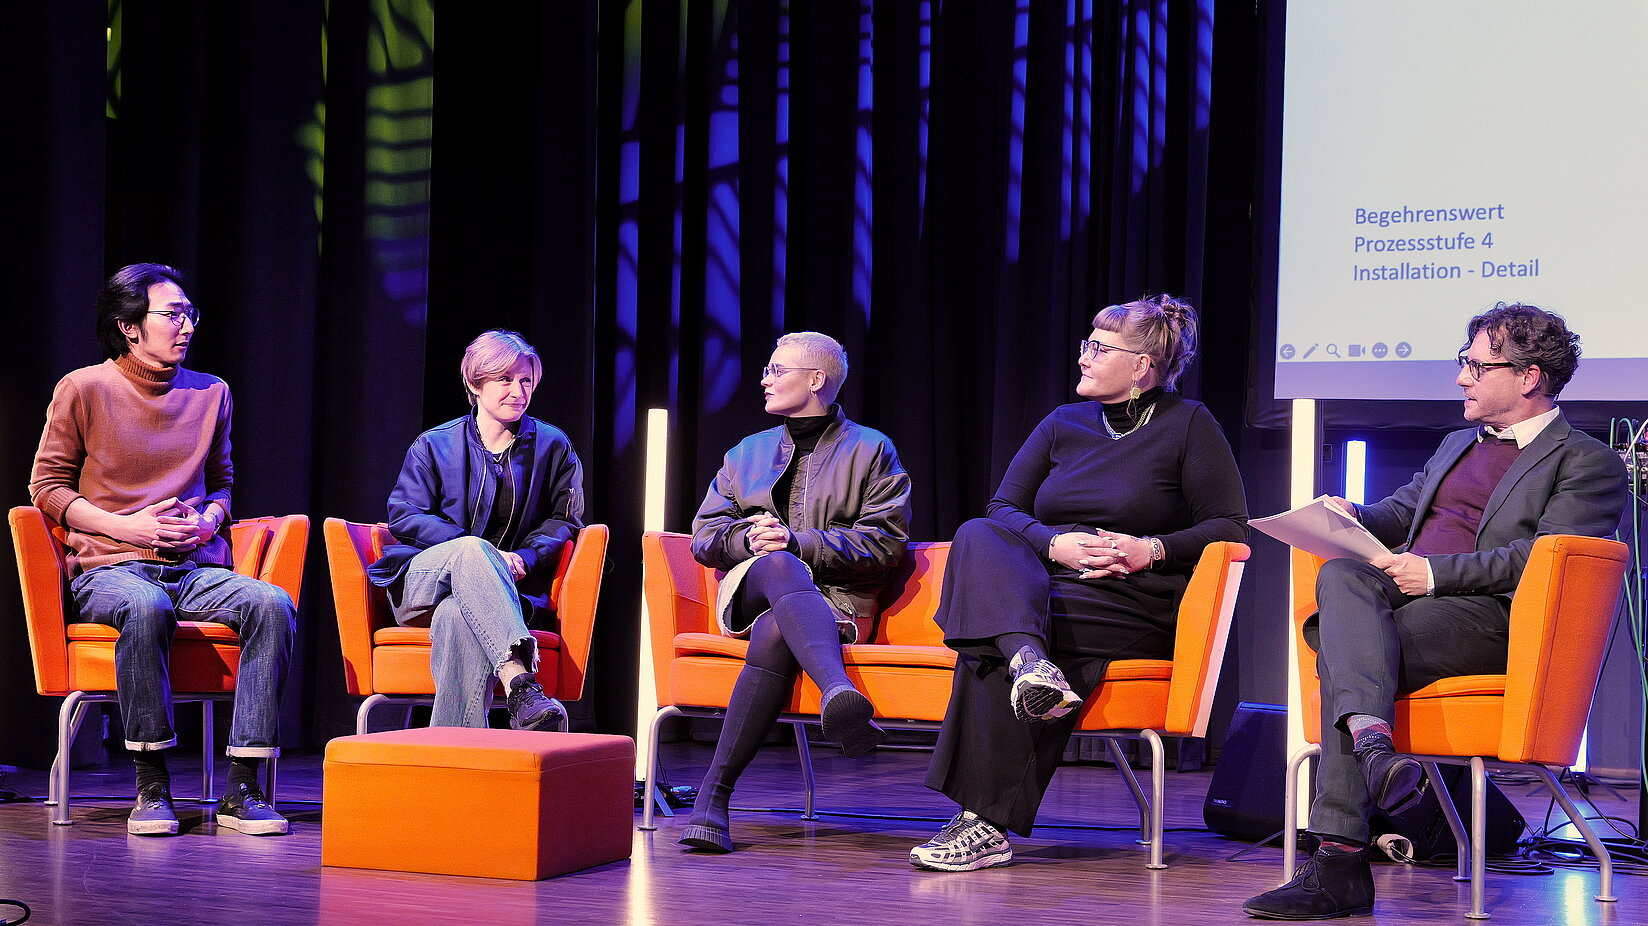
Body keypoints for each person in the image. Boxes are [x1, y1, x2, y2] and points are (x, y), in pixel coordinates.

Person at [1244, 303, 1628, 920]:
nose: (1461, 378)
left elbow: (1543, 558)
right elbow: (1398, 515)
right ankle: (1375, 750)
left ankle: (1339, 864)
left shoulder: (1585, 460)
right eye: (1464, 362)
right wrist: (1346, 514)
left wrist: (1435, 573)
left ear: (1528, 377)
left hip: (1492, 621)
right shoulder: (1457, 444)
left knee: (1342, 652)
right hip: (1407, 605)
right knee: (1344, 577)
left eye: (1476, 365)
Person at [911, 294, 1248, 871]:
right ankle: (1027, 664)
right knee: (977, 534)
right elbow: (1003, 508)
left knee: (995, 635)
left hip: (1131, 599)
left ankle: (984, 821)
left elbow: (1229, 525)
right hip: (1046, 582)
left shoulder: (1189, 425)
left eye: (1099, 347)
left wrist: (1151, 549)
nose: (1083, 357)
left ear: (1141, 365)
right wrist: (1053, 544)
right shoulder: (1062, 424)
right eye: (1086, 344)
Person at [29, 263, 296, 837]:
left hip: (192, 563)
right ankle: (151, 785)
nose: (186, 326)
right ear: (130, 327)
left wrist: (207, 521)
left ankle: (244, 788)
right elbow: (46, 488)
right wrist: (131, 530)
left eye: (188, 314)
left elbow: (224, 483)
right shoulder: (84, 388)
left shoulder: (211, 392)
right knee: (146, 607)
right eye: (171, 314)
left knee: (271, 604)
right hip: (110, 567)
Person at [678, 331, 911, 853]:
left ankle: (713, 800)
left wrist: (800, 542)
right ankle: (836, 689)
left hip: (839, 600)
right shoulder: (747, 452)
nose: (764, 379)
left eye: (777, 370)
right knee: (778, 564)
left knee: (778, 628)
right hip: (749, 588)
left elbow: (887, 542)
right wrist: (748, 539)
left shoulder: (872, 449)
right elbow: (704, 535)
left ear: (815, 380)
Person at [366, 330, 585, 732]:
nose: (518, 391)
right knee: (470, 551)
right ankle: (520, 679)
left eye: (526, 381)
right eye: (505, 379)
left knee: (458, 616)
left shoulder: (554, 446)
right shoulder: (434, 445)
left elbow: (565, 518)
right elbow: (404, 513)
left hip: (501, 592)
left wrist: (526, 556)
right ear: (475, 383)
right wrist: (478, 551)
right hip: (422, 584)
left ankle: (456, 754)